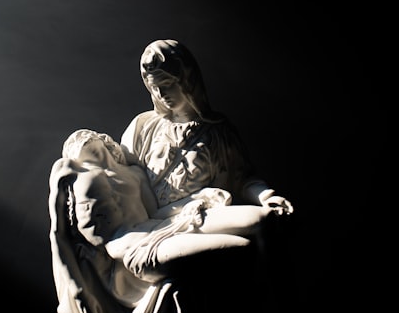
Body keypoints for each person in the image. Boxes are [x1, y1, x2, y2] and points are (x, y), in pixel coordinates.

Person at [47, 129, 274, 313]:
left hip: (160, 228)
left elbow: (155, 213)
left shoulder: (133, 173)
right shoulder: (70, 170)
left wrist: (198, 199)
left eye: (90, 142)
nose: (82, 145)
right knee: (239, 248)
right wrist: (74, 289)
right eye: (79, 147)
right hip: (134, 248)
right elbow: (58, 234)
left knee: (260, 219)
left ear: (104, 142)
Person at [120, 39, 294, 215]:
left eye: (166, 84)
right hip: (148, 220)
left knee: (259, 222)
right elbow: (120, 176)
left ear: (186, 81)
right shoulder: (144, 127)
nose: (161, 94)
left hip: (200, 217)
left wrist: (267, 197)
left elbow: (243, 180)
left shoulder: (219, 134)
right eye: (154, 87)